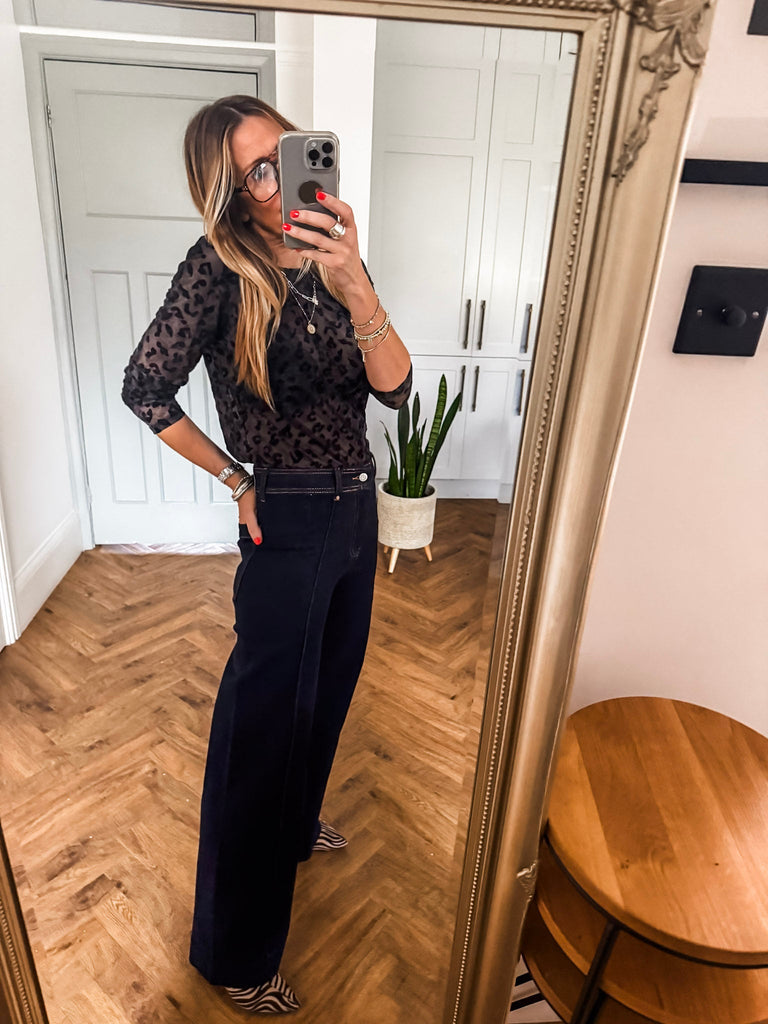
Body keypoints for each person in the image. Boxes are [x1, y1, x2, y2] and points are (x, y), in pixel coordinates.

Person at [120, 94, 412, 1014]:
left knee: (327, 692)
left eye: (280, 153)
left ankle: (294, 827)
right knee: (259, 731)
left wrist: (356, 280)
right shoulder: (215, 267)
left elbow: (396, 389)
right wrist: (234, 478)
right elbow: (145, 387)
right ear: (229, 190)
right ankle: (236, 955)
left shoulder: (334, 255)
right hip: (284, 518)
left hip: (355, 507)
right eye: (254, 170)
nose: (275, 178)